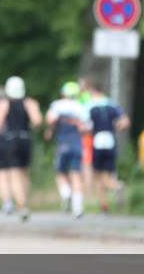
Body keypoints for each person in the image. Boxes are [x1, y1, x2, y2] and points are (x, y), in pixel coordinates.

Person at [0, 76, 43, 222]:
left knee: (14, 174)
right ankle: (24, 202)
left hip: (10, 140)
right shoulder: (30, 103)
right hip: (26, 139)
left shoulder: (4, 104)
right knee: (24, 173)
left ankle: (20, 205)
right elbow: (37, 121)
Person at [45, 81, 91, 218]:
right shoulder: (81, 107)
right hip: (77, 143)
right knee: (76, 174)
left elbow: (50, 120)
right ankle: (78, 207)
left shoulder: (57, 106)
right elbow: (87, 128)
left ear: (63, 93)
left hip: (62, 143)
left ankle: (66, 194)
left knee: (61, 173)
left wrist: (52, 128)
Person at [84, 80, 130, 213]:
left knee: (98, 176)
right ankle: (116, 187)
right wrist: (115, 128)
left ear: (91, 90)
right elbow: (125, 122)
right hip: (110, 140)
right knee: (107, 174)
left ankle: (106, 203)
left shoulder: (89, 105)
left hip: (97, 140)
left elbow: (86, 126)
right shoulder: (111, 104)